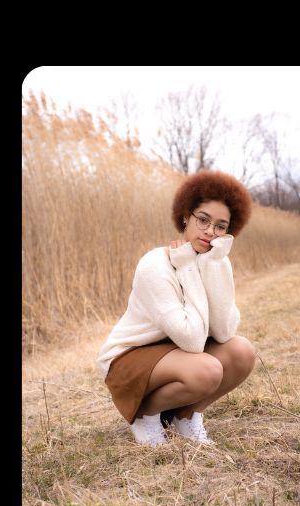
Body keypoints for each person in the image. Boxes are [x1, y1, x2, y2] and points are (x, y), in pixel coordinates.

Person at [96, 170, 258, 447]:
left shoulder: (214, 261)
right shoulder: (155, 265)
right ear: (186, 216)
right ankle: (145, 415)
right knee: (207, 370)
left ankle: (186, 416)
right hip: (130, 358)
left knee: (242, 352)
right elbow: (193, 341)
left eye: (221, 226)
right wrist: (186, 267)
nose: (210, 231)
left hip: (176, 353)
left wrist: (215, 265)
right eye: (203, 220)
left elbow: (224, 331)